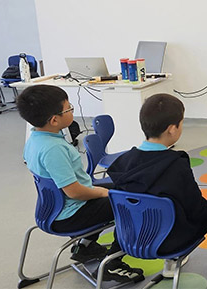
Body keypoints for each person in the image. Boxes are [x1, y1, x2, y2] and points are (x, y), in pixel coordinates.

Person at [16, 85, 144, 284]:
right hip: (71, 213)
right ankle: (113, 262)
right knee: (129, 203)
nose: (72, 111)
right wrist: (102, 193)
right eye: (69, 108)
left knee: (123, 187)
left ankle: (85, 247)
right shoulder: (54, 150)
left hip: (51, 210)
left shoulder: (35, 140)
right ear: (54, 120)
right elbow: (75, 192)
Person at [107, 94, 207, 275]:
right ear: (172, 129)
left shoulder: (123, 161)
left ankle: (113, 256)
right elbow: (196, 210)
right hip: (169, 242)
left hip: (129, 237)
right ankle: (175, 261)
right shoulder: (176, 165)